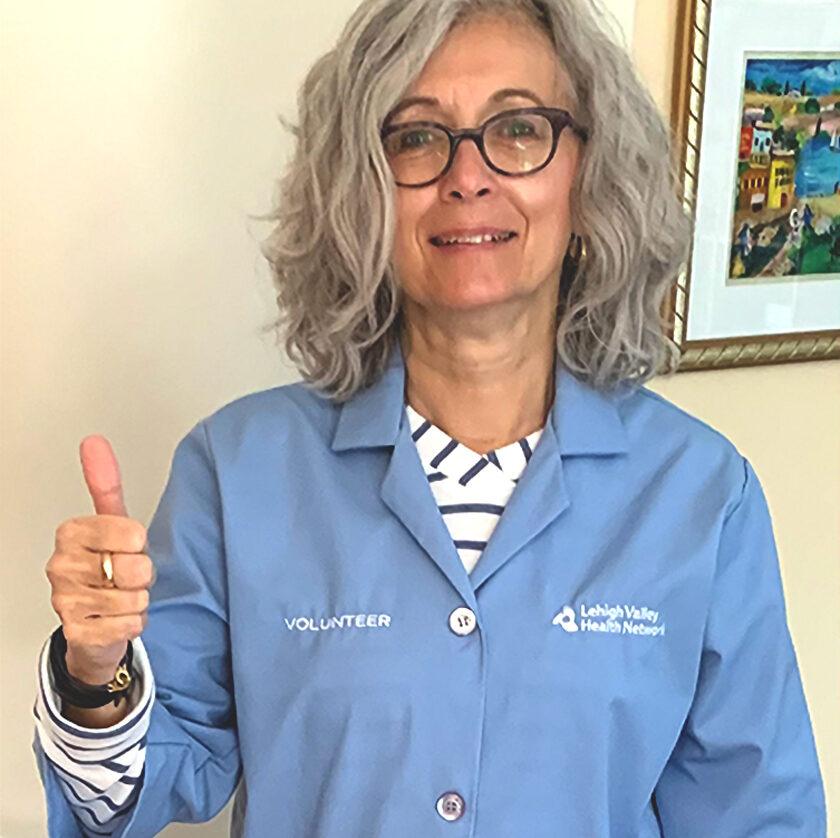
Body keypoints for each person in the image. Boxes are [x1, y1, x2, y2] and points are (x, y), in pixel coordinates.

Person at [32, 0, 827, 835]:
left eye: (518, 129)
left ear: (590, 178)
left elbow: (758, 816)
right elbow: (130, 798)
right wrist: (95, 673)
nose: (467, 176)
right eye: (416, 137)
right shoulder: (237, 471)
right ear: (361, 192)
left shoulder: (701, 493)